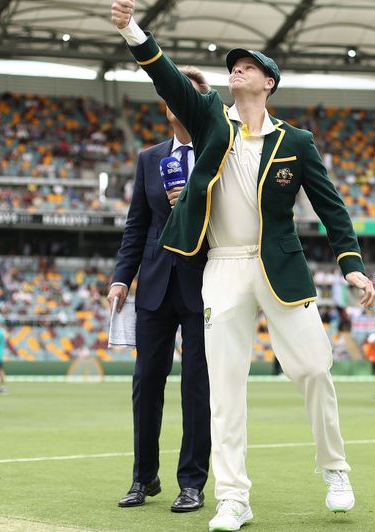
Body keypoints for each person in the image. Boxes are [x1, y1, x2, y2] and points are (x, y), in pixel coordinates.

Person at [110, 3, 375, 530]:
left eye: (249, 65)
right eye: (233, 65)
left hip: (279, 268)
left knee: (315, 369)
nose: (238, 69)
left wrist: (352, 265)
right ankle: (234, 496)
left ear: (269, 83)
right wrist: (131, 30)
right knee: (225, 385)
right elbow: (165, 75)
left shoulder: (295, 142)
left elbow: (331, 207)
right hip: (223, 266)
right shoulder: (210, 116)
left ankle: (335, 468)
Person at [107, 66, 213, 514]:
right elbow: (137, 226)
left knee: (196, 387)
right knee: (146, 383)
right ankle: (143, 477)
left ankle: (191, 482)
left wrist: (194, 198)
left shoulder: (219, 153)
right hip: (152, 284)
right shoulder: (149, 158)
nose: (172, 99)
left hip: (204, 283)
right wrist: (120, 278)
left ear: (200, 102)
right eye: (166, 92)